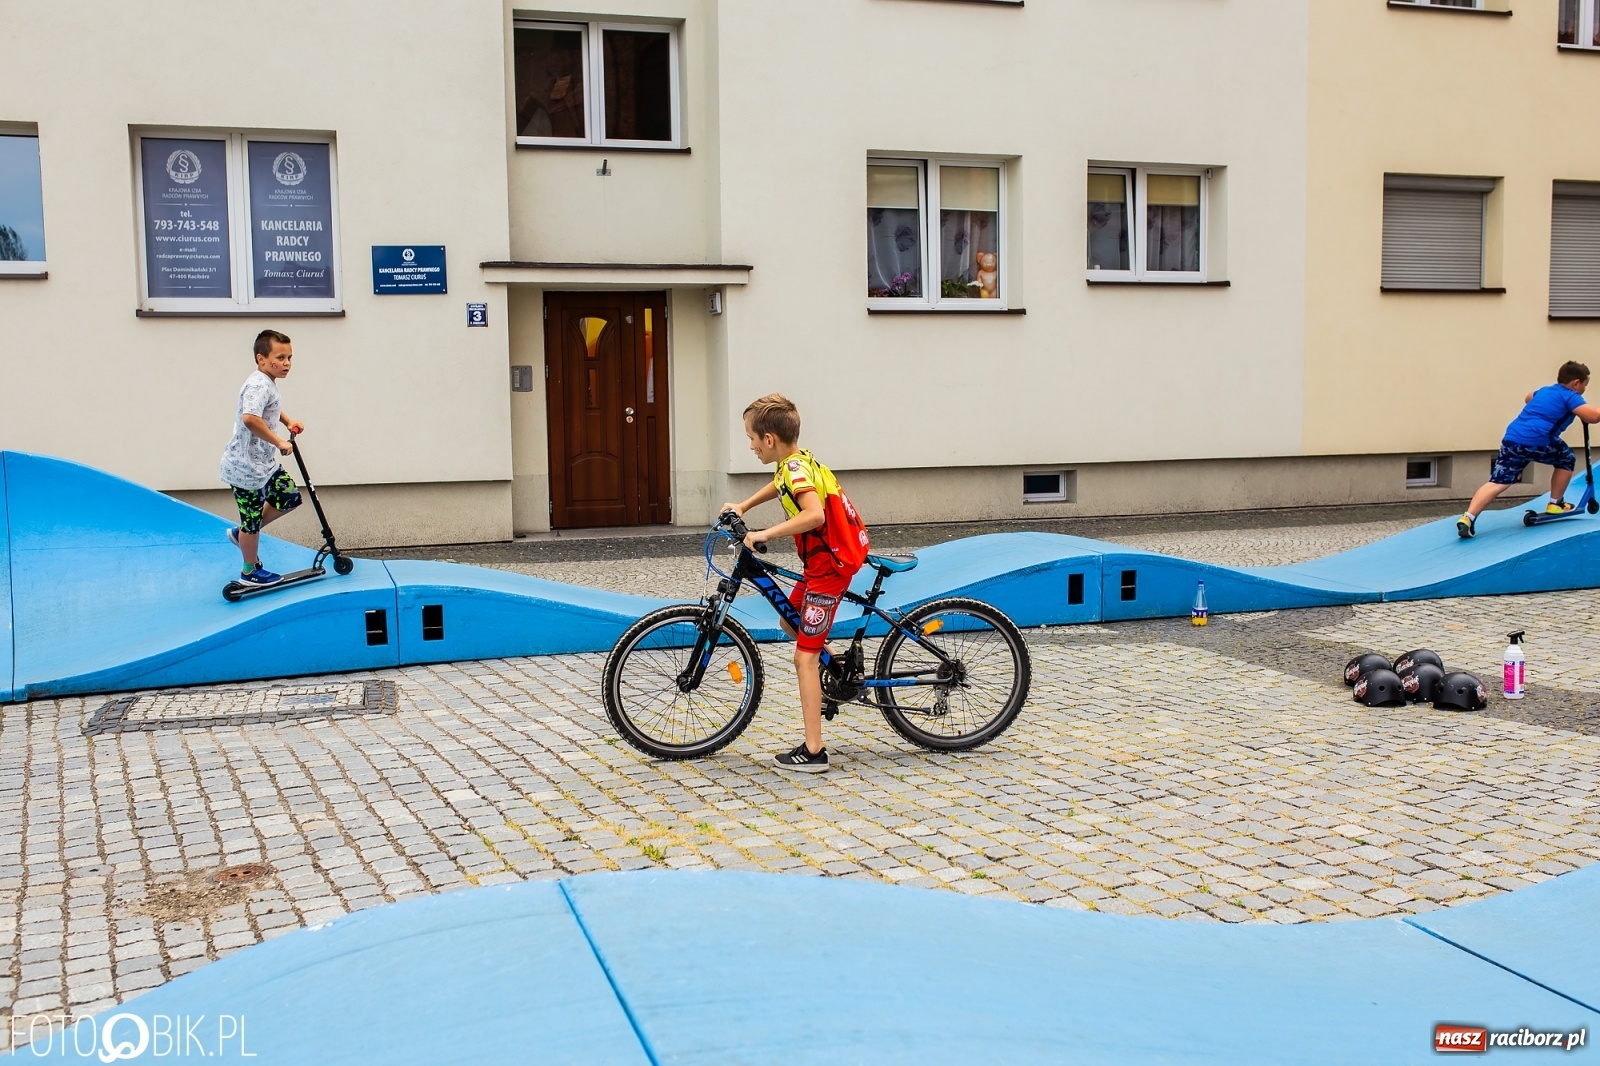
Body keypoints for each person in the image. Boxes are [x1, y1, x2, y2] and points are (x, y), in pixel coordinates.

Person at [722, 394, 869, 773]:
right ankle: (839, 670)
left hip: (830, 567)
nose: (750, 446)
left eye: (752, 438)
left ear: (769, 439)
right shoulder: (795, 462)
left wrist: (764, 532)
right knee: (790, 621)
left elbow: (814, 514)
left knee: (804, 658)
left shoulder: (796, 470)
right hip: (819, 566)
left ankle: (814, 752)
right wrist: (743, 505)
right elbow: (780, 485)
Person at [1458, 360, 1600, 538]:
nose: (1584, 389)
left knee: (1498, 482)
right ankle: (1555, 504)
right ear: (1576, 383)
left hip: (1512, 439)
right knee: (1566, 458)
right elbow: (1594, 417)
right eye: (1585, 385)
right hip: (1537, 440)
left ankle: (1468, 518)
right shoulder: (1571, 396)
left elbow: (1528, 398)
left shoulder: (1545, 390)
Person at [220, 330, 305, 583]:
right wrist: (279, 441)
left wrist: (288, 421)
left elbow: (270, 407)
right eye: (280, 358)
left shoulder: (267, 383)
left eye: (289, 357)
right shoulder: (258, 384)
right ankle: (250, 571)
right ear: (261, 359)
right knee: (251, 521)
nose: (287, 363)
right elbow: (250, 418)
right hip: (245, 468)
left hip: (263, 464)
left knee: (289, 496)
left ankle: (243, 534)